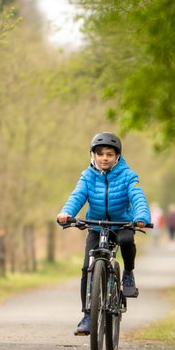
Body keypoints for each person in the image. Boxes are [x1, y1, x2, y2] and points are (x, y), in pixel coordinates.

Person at [56, 132, 151, 336]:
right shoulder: (88, 176)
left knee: (126, 240)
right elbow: (78, 195)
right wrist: (66, 213)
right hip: (96, 226)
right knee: (86, 267)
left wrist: (141, 215)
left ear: (117, 157)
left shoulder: (128, 175)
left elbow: (138, 196)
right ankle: (88, 315)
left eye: (109, 154)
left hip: (122, 223)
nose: (105, 158)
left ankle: (127, 274)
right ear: (93, 156)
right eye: (100, 154)